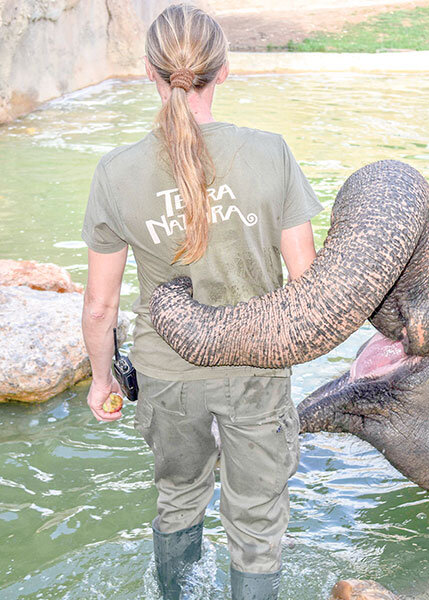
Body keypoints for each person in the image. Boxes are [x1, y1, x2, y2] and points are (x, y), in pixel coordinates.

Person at [80, 5, 322, 599]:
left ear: (149, 73)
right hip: (256, 372)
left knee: (178, 499)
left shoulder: (116, 173)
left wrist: (100, 379)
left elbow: (98, 307)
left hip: (164, 374)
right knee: (257, 525)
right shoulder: (272, 154)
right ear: (224, 71)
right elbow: (309, 283)